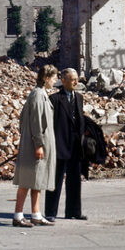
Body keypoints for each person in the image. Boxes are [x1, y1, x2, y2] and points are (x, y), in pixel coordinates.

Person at [12, 64, 58, 228]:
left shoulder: (40, 94)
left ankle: (36, 214)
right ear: (46, 78)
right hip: (36, 146)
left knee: (37, 181)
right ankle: (18, 215)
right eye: (53, 78)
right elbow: (37, 122)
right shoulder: (38, 96)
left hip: (37, 144)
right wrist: (38, 144)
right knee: (27, 180)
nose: (55, 81)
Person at [44, 68, 86, 222]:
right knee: (55, 179)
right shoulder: (55, 99)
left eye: (77, 79)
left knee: (75, 179)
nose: (76, 82)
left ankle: (74, 211)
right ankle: (50, 212)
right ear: (64, 80)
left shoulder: (79, 98)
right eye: (73, 79)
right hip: (60, 144)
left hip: (76, 145)